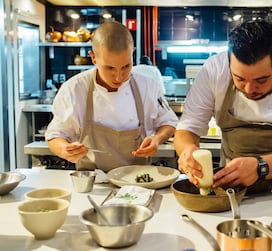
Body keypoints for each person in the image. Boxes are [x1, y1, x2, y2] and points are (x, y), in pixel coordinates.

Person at [174, 20, 272, 191]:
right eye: (240, 79)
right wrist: (187, 151)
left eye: (261, 80)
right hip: (234, 187)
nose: (249, 89)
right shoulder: (214, 70)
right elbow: (187, 129)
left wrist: (260, 167)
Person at [46, 21, 178, 172]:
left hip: (139, 182)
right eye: (109, 68)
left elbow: (169, 122)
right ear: (93, 57)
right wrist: (65, 149)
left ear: (132, 52)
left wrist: (157, 139)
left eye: (126, 66)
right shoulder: (74, 89)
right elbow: (55, 135)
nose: (119, 77)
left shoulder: (148, 86)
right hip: (93, 183)